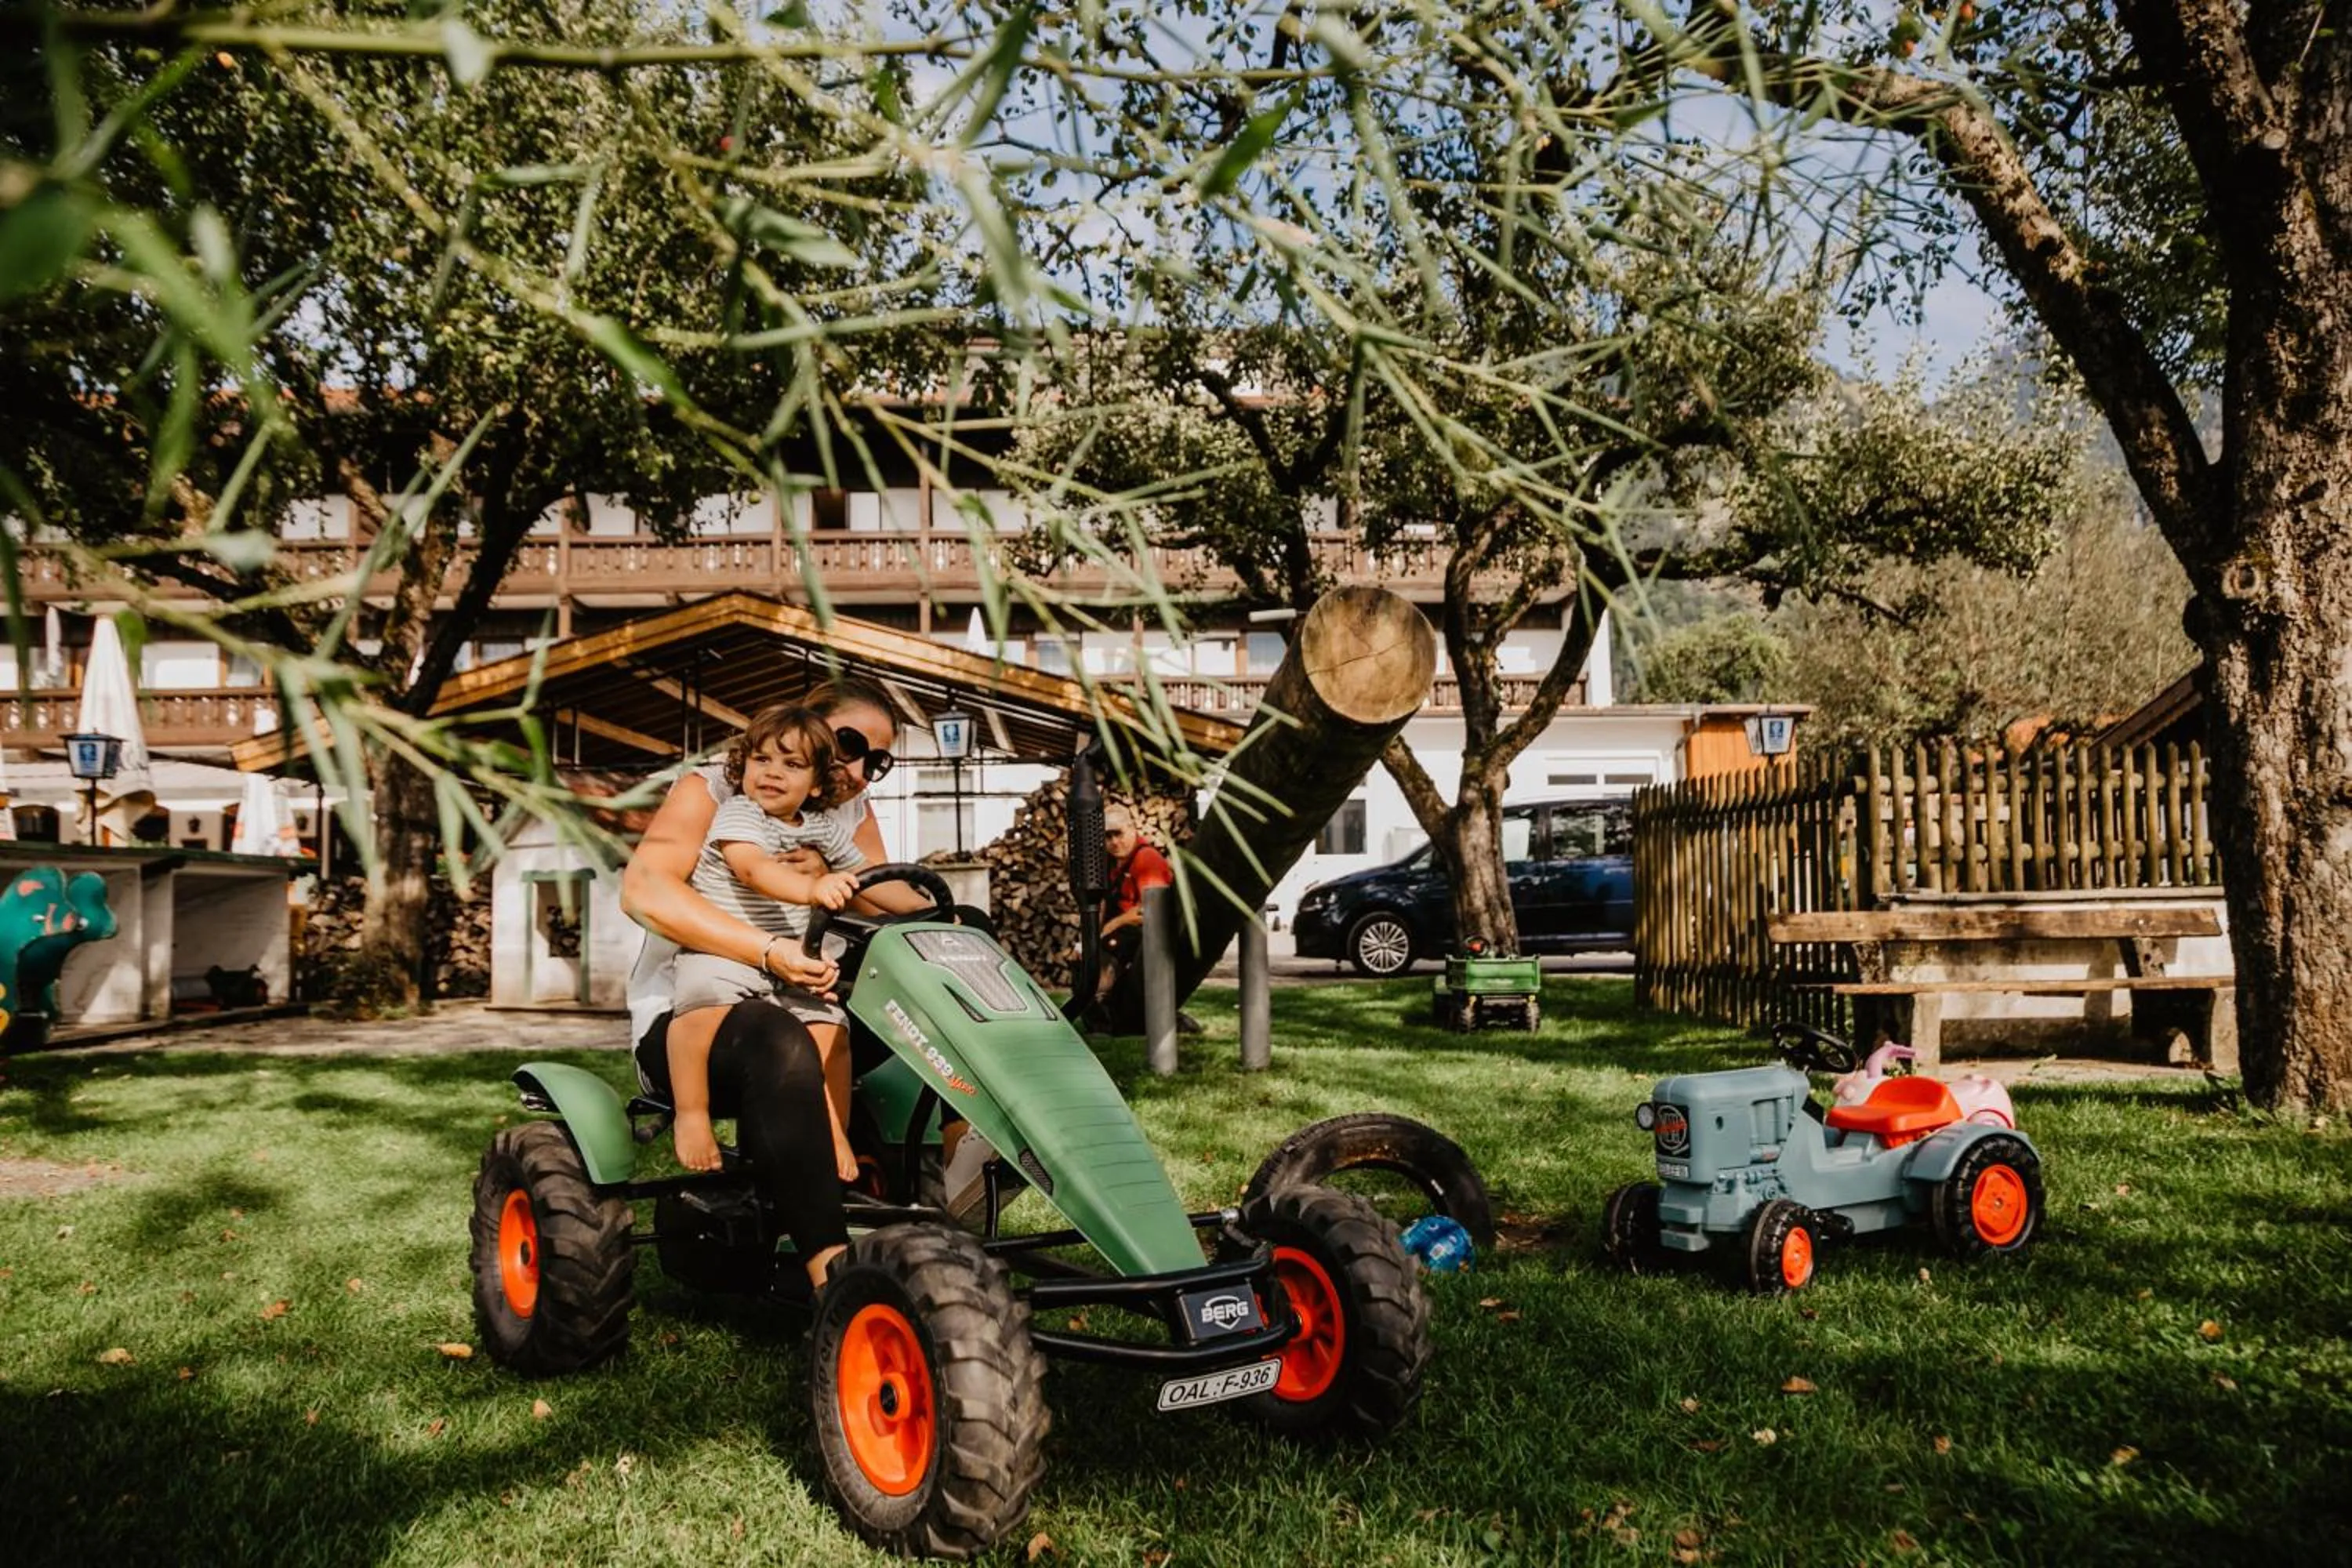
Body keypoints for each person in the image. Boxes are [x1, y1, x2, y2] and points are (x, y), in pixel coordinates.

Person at [622, 677, 920, 1296]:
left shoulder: (843, 811)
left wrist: (944, 914)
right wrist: (771, 946)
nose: (860, 772)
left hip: (794, 984)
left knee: (908, 1025)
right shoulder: (723, 794)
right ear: (803, 726)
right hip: (704, 998)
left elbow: (875, 888)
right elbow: (645, 891)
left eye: (877, 761)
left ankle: (953, 1206)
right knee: (782, 1038)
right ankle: (831, 1277)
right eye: (850, 744)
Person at [670, 704, 866, 1188]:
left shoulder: (821, 827)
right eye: (762, 759)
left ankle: (833, 1132)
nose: (773, 772)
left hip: (793, 961)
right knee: (700, 1005)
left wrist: (930, 903)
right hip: (728, 952)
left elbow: (867, 879)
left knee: (832, 1031)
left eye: (792, 764)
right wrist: (814, 888)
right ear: (744, 767)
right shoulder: (740, 813)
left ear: (816, 784)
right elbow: (753, 869)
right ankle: (691, 1112)